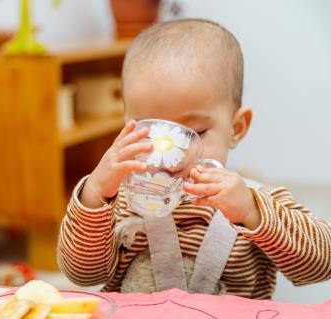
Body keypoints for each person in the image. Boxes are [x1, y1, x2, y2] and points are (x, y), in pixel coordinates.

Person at [57, 18, 331, 299]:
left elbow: (320, 265)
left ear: (236, 129)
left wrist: (253, 213)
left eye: (195, 132)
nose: (171, 156)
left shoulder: (258, 200)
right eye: (150, 132)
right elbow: (82, 274)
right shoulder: (123, 203)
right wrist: (93, 196)